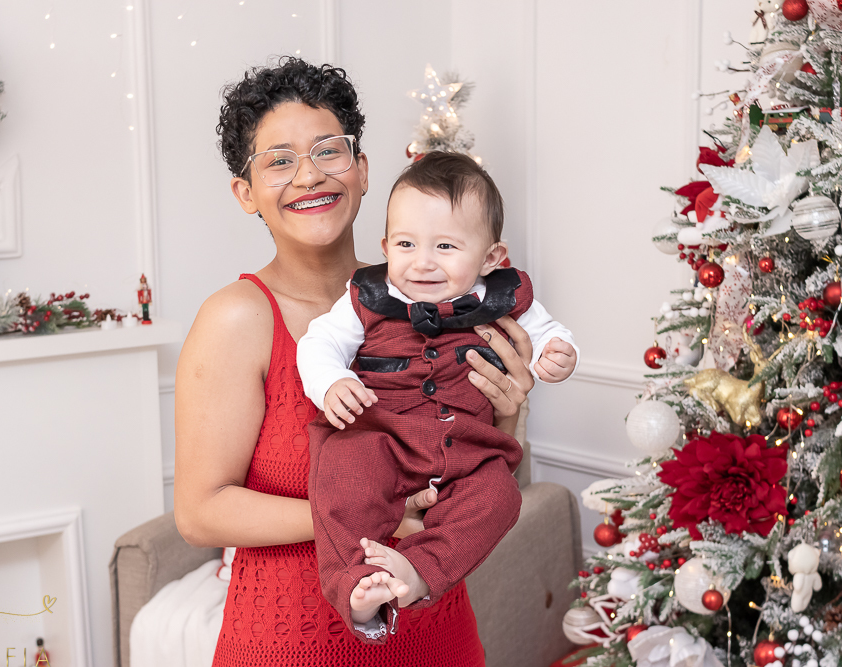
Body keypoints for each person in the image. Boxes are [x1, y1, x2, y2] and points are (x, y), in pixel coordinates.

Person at [173, 57, 535, 667]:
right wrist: (375, 513)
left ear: (363, 170)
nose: (309, 175)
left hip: (437, 630)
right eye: (279, 161)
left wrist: (508, 415)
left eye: (328, 151)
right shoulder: (237, 318)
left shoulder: (435, 292)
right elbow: (200, 512)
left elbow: (482, 479)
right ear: (246, 193)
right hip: (294, 642)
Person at [296, 151, 579, 642]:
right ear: (385, 246)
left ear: (492, 257)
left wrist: (558, 354)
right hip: (382, 437)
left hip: (466, 450)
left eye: (446, 246)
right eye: (406, 244)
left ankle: (419, 571)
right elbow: (320, 341)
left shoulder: (500, 298)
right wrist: (330, 382)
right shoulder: (367, 297)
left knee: (499, 496)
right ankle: (356, 589)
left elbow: (547, 334)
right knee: (340, 473)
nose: (422, 262)